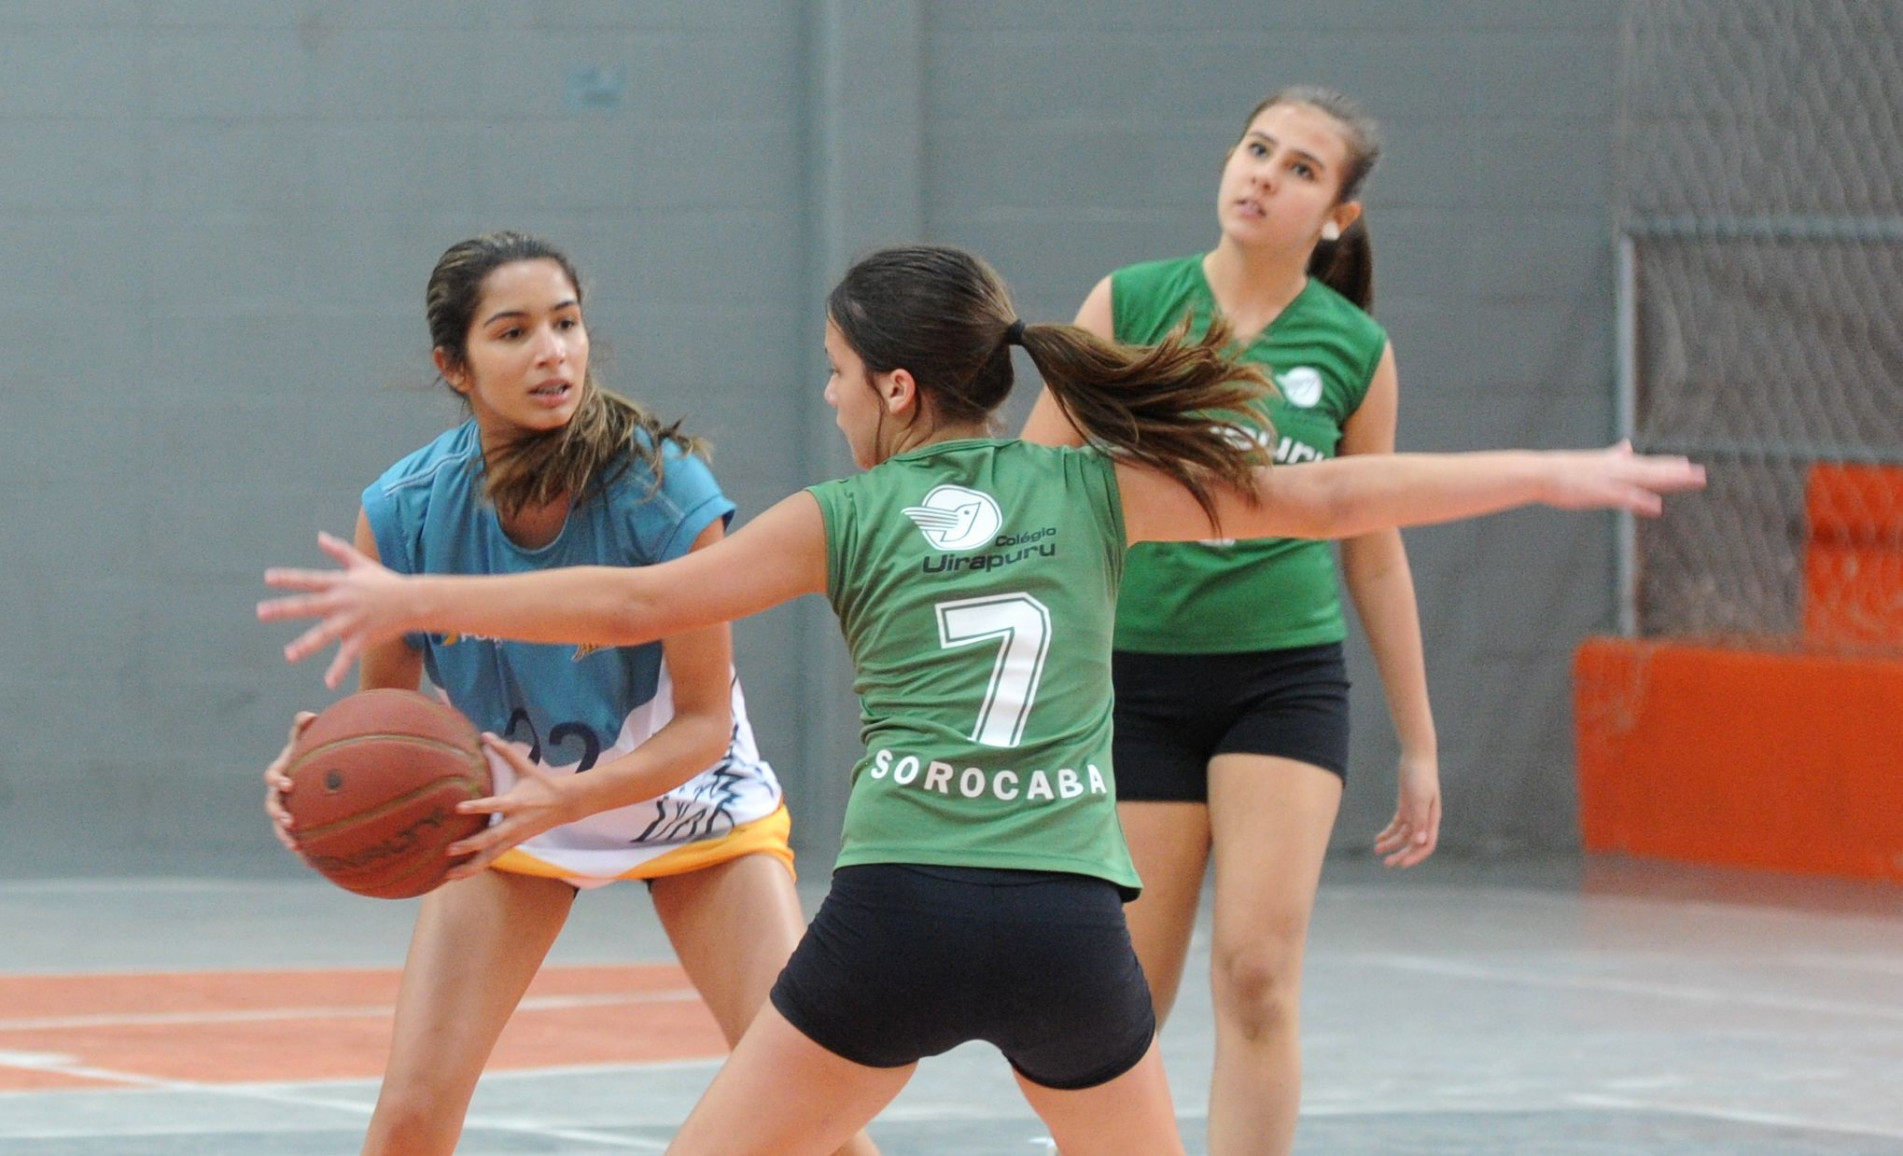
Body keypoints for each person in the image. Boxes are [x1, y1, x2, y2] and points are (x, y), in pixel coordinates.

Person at [258, 244, 1702, 1156]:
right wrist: (1546, 474)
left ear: (891, 389)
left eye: (833, 377)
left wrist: (414, 602)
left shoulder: (841, 513)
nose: (825, 401)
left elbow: (639, 608)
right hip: (1067, 921)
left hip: (893, 915)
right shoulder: (1093, 487)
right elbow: (1323, 494)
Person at [260, 231, 877, 1156]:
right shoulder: (403, 510)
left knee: (805, 1119)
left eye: (567, 323)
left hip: (691, 810)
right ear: (453, 365)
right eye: (513, 332)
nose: (552, 351)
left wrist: (570, 795)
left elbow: (705, 724)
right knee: (409, 1120)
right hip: (519, 825)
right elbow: (390, 719)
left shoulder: (663, 491)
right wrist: (319, 767)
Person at [1017, 85, 1428, 1153]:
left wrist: (1419, 743)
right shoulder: (1133, 303)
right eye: (1257, 148)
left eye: (1301, 168)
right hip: (1137, 682)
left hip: (1281, 682)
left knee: (1255, 971)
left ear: (1335, 213)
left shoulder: (1352, 350)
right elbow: (1033, 489)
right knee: (1121, 1000)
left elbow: (1373, 548)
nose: (1263, 175)